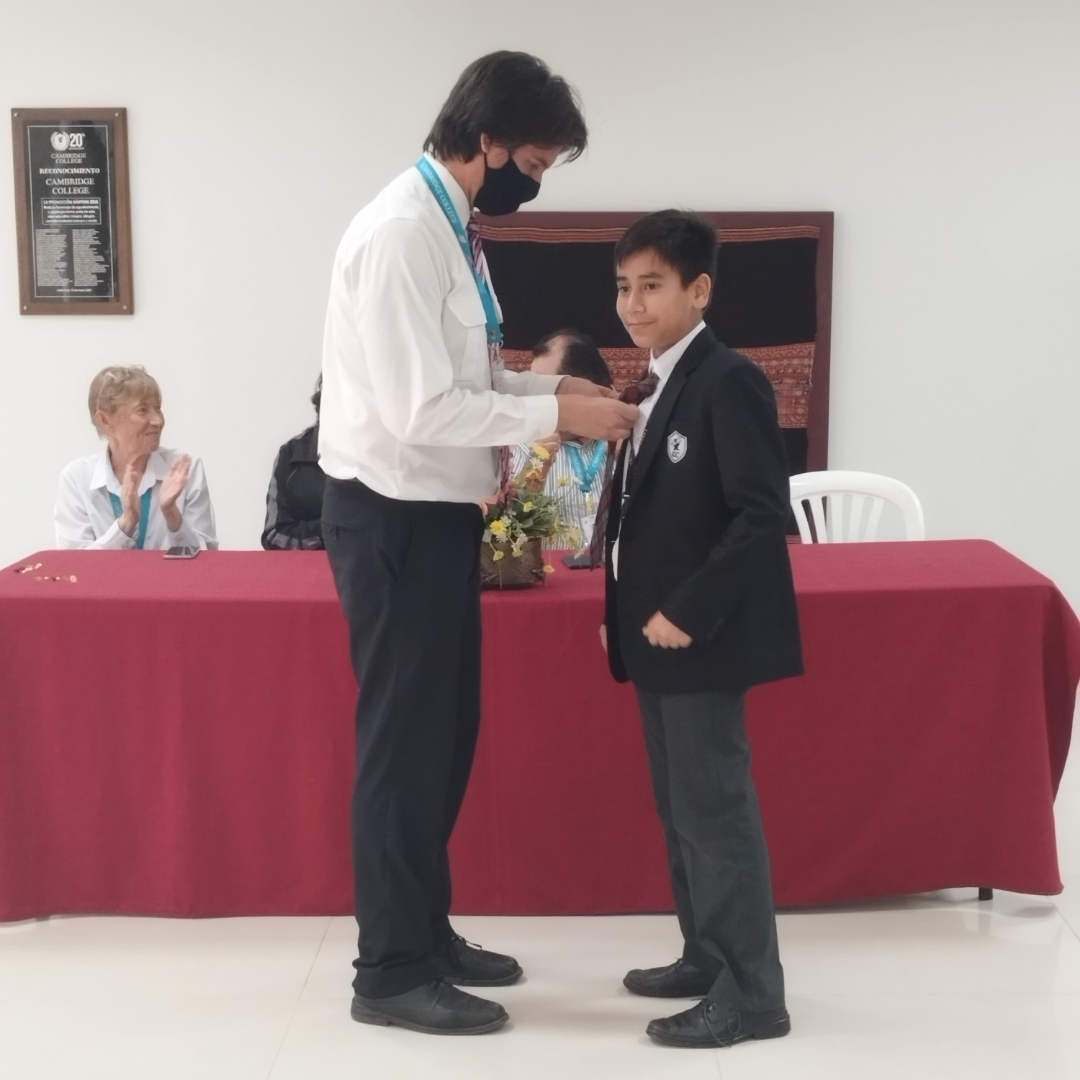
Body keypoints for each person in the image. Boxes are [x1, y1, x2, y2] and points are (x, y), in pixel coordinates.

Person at [319, 51, 639, 1037]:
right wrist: (557, 419)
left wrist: (558, 390)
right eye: (534, 163)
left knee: (443, 738)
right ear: (488, 140)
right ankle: (389, 971)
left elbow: (477, 377)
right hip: (393, 513)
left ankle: (424, 930)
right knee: (403, 746)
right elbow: (422, 411)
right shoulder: (402, 234)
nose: (534, 182)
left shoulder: (454, 228)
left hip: (438, 514)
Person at [601, 211, 803, 1048]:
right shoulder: (653, 382)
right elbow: (637, 516)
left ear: (700, 290)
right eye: (624, 287)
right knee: (681, 808)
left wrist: (687, 609)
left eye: (652, 286)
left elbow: (762, 515)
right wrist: (619, 612)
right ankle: (705, 955)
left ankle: (752, 994)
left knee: (716, 811)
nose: (633, 304)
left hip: (701, 635)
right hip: (651, 638)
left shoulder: (728, 380)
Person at [56, 365, 217, 551]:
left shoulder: (184, 469)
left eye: (158, 408)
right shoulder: (76, 479)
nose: (158, 420)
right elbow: (74, 564)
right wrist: (126, 523)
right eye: (142, 410)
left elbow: (208, 559)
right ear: (105, 420)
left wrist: (172, 515)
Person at [511, 329, 613, 551]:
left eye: (545, 390)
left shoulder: (628, 441)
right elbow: (504, 534)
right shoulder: (518, 445)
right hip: (548, 571)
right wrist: (533, 475)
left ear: (585, 388)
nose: (536, 402)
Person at [262, 377, 326, 550]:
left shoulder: (383, 456)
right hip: (307, 564)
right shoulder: (292, 454)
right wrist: (331, 528)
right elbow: (274, 536)